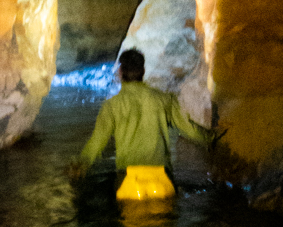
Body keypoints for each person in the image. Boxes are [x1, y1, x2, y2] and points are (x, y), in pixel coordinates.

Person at [73, 48, 214, 178]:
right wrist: (212, 138)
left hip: (129, 176)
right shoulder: (164, 99)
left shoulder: (111, 106)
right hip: (160, 174)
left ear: (120, 72)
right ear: (143, 71)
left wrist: (82, 163)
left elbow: (97, 141)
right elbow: (189, 129)